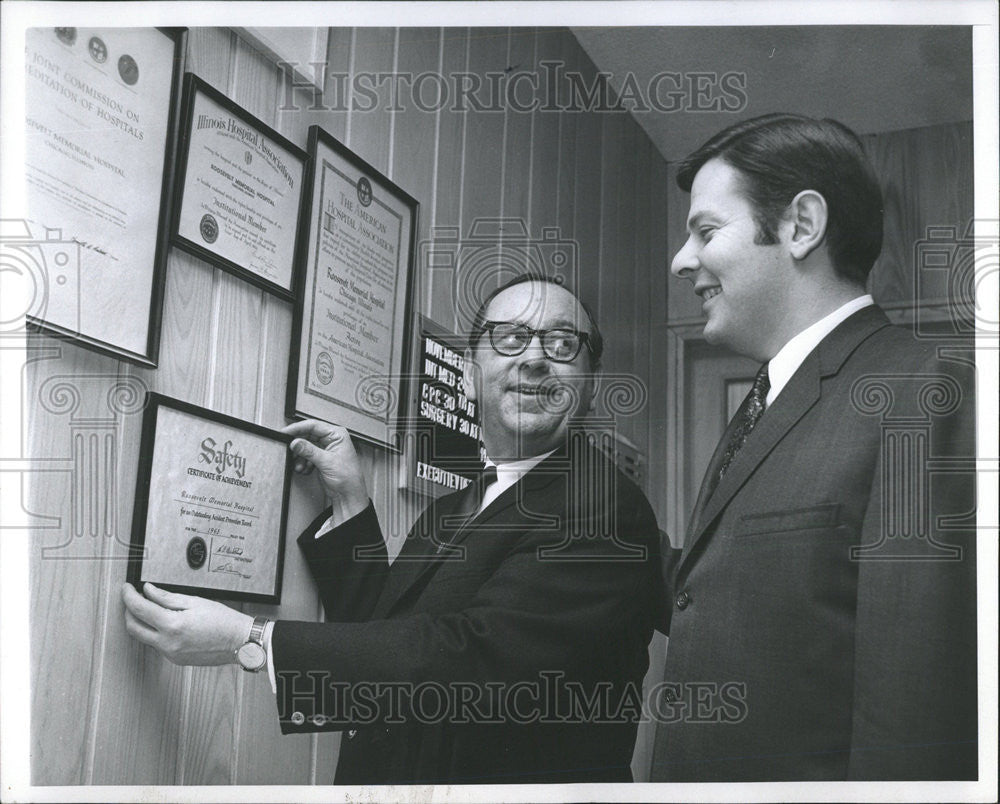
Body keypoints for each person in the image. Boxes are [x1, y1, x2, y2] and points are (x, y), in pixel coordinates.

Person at [123, 275, 661, 784]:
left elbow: (473, 665)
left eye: (563, 343)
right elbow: (385, 633)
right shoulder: (454, 507)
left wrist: (250, 640)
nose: (536, 357)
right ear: (471, 379)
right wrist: (350, 502)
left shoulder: (608, 508)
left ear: (590, 385)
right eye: (511, 337)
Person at [651, 113, 977, 781]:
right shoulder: (763, 403)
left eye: (706, 231)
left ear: (802, 226)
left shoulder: (927, 388)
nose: (681, 260)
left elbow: (916, 711)